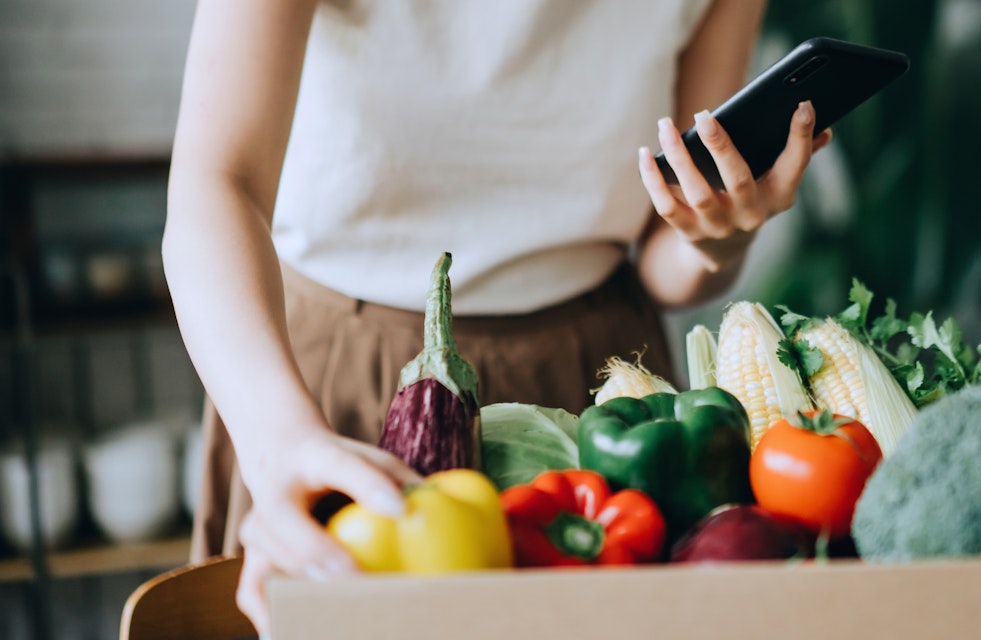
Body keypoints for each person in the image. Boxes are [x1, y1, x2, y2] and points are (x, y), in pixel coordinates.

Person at [165, 0, 830, 630]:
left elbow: (662, 258)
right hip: (332, 382)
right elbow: (217, 181)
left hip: (598, 381)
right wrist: (280, 440)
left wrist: (713, 236)